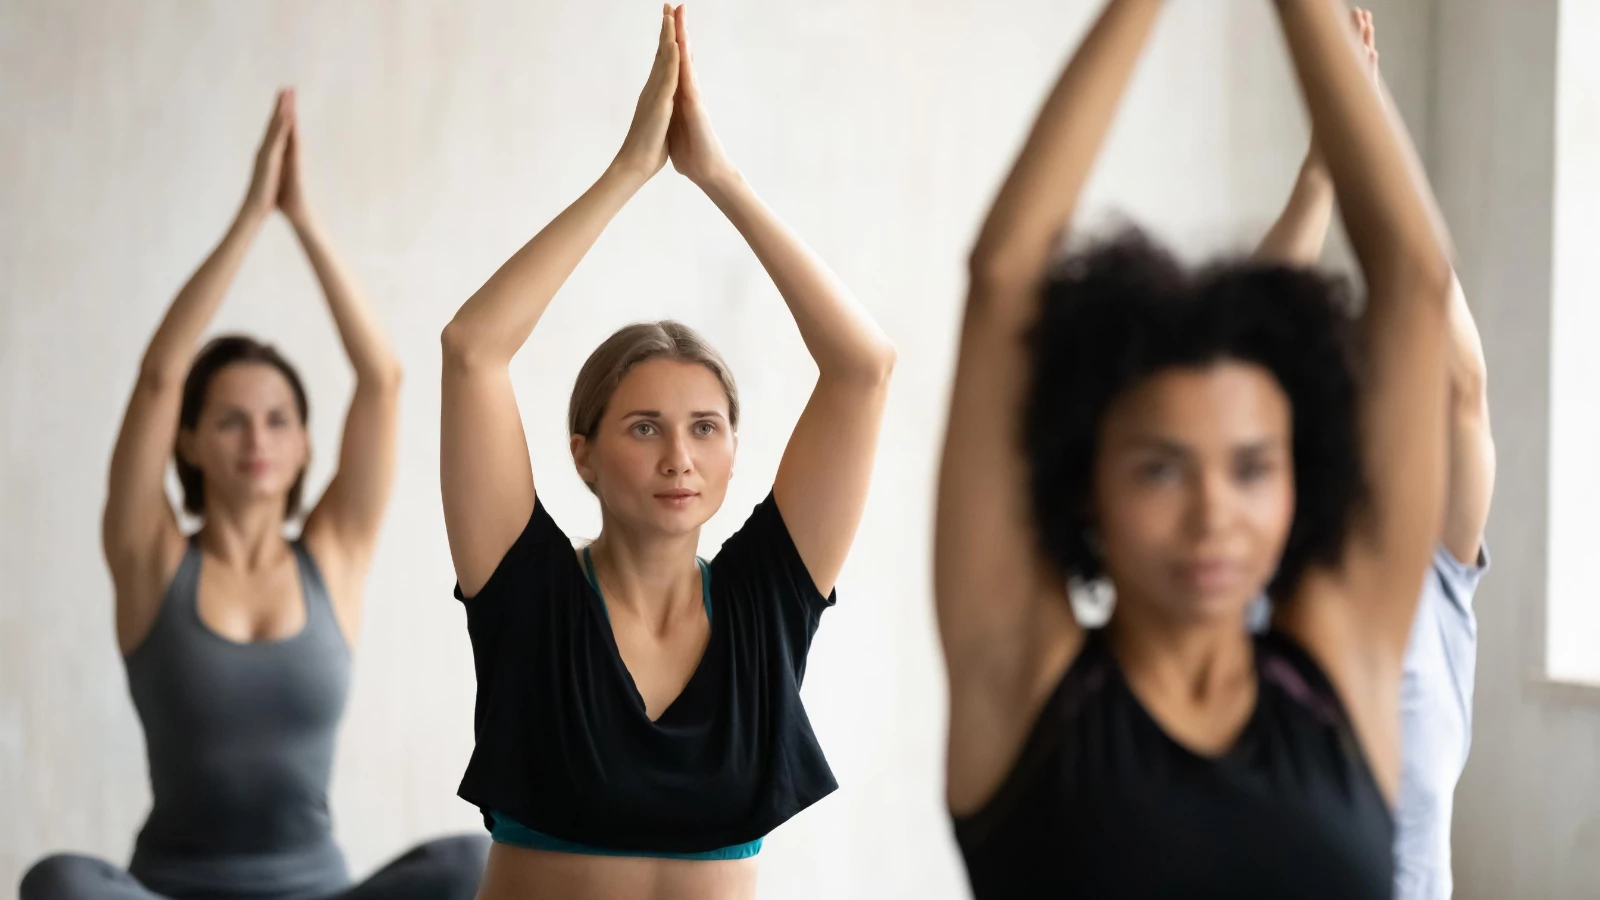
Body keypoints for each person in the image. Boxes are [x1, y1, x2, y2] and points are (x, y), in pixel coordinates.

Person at [936, 0, 1457, 896]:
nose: (1214, 511)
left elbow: (1415, 281)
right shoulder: (1025, 685)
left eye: (1253, 467)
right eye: (1161, 468)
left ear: (1302, 479)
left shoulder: (1343, 668)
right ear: (1087, 483)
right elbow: (1006, 273)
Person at [438, 6, 895, 900]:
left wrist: (717, 175)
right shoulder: (526, 589)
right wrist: (630, 172)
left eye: (705, 427)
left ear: (731, 457)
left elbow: (863, 366)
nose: (678, 455)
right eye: (643, 427)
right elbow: (472, 348)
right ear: (585, 455)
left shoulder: (769, 593)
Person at [20, 91, 487, 900]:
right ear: (190, 441)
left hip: (317, 891)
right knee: (58, 882)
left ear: (307, 443)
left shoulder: (333, 553)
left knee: (470, 864)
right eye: (230, 421)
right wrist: (247, 220)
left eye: (278, 420)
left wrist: (301, 219)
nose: (257, 440)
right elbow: (162, 374)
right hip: (170, 889)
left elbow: (383, 378)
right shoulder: (150, 557)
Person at [1255, 13, 1495, 898]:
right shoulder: (1247, 584)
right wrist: (1322, 171)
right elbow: (1238, 358)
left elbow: (1460, 377)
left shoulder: (1433, 578)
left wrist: (1367, 126)